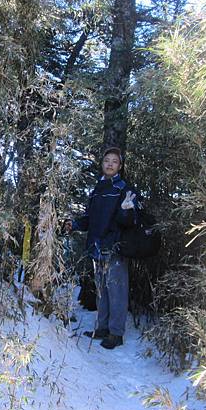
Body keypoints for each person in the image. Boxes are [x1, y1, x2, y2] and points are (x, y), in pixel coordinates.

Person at [69, 147, 139, 349]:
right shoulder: (97, 189)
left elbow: (129, 221)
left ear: (120, 166)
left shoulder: (123, 188)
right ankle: (102, 328)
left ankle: (116, 334)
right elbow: (89, 219)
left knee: (117, 291)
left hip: (114, 248)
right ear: (102, 164)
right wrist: (73, 225)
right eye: (107, 160)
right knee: (101, 291)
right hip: (97, 247)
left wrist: (127, 211)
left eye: (114, 161)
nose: (110, 164)